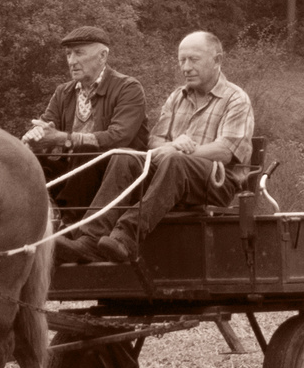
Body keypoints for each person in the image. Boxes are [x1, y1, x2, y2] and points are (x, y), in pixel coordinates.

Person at [65, 30, 254, 264]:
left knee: (176, 161)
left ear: (217, 60)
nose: (186, 67)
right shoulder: (177, 97)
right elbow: (154, 141)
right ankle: (91, 239)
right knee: (126, 157)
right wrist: (172, 145)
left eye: (193, 59)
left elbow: (225, 151)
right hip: (171, 175)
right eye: (181, 60)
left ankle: (126, 236)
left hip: (217, 182)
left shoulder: (236, 98)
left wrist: (182, 151)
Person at [23, 26, 149, 226]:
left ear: (102, 56)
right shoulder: (63, 92)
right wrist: (35, 135)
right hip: (74, 173)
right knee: (26, 159)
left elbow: (119, 137)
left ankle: (69, 224)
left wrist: (62, 139)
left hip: (115, 173)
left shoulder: (128, 87)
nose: (72, 61)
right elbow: (47, 125)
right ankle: (28, 225)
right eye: (68, 54)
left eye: (79, 53)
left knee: (84, 148)